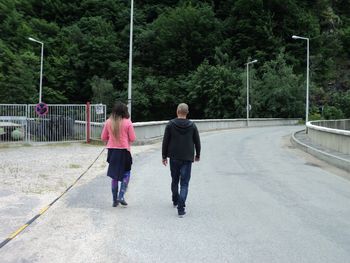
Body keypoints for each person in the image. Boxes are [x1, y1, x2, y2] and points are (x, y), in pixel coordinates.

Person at [162, 103, 201, 217]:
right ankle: (181, 206)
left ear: (177, 111)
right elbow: (197, 142)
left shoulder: (170, 125)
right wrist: (197, 154)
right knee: (184, 183)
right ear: (187, 113)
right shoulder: (192, 126)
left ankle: (175, 200)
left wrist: (164, 156)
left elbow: (165, 141)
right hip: (187, 158)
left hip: (174, 157)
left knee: (174, 179)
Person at [101, 102, 136, 207]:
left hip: (112, 152)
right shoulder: (127, 122)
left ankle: (114, 200)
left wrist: (110, 139)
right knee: (126, 173)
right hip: (124, 151)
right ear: (124, 111)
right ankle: (121, 195)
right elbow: (133, 138)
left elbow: (103, 137)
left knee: (114, 176)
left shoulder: (108, 122)